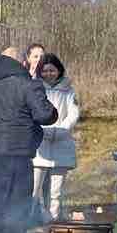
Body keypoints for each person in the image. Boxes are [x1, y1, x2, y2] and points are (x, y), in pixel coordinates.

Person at [0, 46, 58, 233]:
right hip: (17, 152)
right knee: (18, 203)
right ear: (22, 63)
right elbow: (46, 115)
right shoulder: (28, 85)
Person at [31, 53, 80, 223]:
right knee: (34, 189)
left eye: (52, 70)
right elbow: (32, 113)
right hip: (40, 144)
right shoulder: (35, 89)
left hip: (61, 142)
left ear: (59, 71)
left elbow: (73, 114)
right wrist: (42, 130)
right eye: (45, 71)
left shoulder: (68, 91)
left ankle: (53, 221)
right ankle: (31, 220)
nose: (49, 74)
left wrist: (62, 129)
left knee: (56, 191)